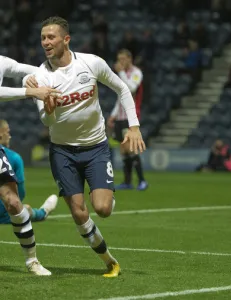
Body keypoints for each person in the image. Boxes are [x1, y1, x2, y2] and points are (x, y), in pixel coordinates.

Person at [25, 16, 146, 278]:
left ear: (66, 39)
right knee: (79, 211)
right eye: (43, 37)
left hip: (95, 147)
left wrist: (134, 126)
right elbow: (46, 120)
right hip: (62, 151)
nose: (46, 42)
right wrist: (49, 109)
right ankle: (109, 260)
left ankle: (108, 193)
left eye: (51, 37)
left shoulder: (91, 63)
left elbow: (122, 89)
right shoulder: (39, 76)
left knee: (102, 209)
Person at [0, 56, 58, 275]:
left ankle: (32, 261)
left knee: (14, 203)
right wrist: (30, 91)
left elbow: (30, 70)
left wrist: (35, 79)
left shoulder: (2, 62)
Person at [0, 119, 58, 224]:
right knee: (26, 210)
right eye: (7, 132)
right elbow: (20, 194)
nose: (9, 136)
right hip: (5, 213)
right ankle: (42, 213)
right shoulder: (14, 158)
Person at [107, 49, 148, 191]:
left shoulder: (136, 73)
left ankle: (142, 181)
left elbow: (130, 88)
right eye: (119, 59)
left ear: (130, 59)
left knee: (131, 149)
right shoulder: (122, 75)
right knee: (124, 151)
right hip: (120, 117)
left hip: (130, 117)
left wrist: (121, 73)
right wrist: (113, 114)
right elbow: (120, 97)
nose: (121, 62)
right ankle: (127, 182)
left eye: (123, 59)